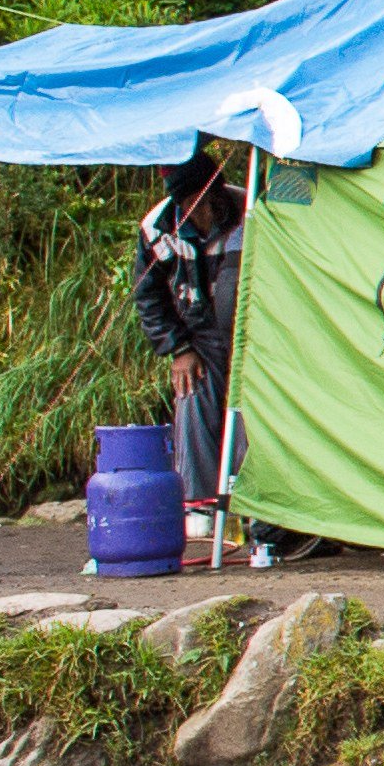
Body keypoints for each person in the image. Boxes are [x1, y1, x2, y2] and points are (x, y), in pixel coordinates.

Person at [132, 150, 247, 527]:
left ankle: (251, 505)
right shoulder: (157, 227)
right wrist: (177, 348)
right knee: (193, 393)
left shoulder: (248, 210)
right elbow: (148, 296)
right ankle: (199, 505)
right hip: (196, 335)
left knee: (249, 408)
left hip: (249, 331)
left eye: (208, 199)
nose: (202, 211)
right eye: (191, 202)